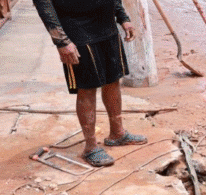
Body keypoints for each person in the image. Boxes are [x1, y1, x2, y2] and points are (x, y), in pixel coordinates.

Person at [33, 0, 147, 167]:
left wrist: (123, 17)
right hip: (77, 30)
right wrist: (62, 41)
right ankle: (91, 147)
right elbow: (44, 4)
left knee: (113, 80)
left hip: (107, 27)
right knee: (87, 87)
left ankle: (117, 133)